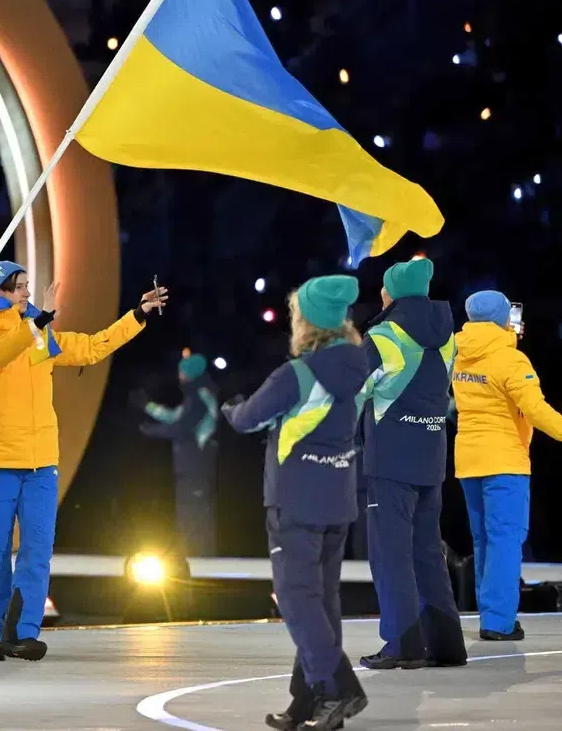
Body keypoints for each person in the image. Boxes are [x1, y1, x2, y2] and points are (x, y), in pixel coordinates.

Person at [0, 260, 165, 661]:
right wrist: (37, 324)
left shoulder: (41, 335)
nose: (25, 292)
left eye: (25, 286)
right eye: (17, 287)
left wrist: (137, 315)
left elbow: (92, 349)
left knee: (37, 550)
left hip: (41, 463)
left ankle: (22, 633)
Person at [221, 275, 369, 731]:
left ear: (306, 323)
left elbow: (247, 420)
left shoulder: (297, 375)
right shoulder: (360, 367)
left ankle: (338, 688)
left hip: (296, 504)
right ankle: (309, 701)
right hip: (337, 500)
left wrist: (232, 408)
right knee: (321, 602)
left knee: (296, 600)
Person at [356, 258, 467, 669]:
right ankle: (447, 645)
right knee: (427, 553)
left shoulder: (384, 335)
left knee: (390, 554)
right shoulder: (448, 336)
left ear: (392, 292)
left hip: (390, 460)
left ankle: (403, 644)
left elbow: (356, 392)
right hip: (431, 454)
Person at [452, 290, 562, 641]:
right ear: (503, 317)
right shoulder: (511, 360)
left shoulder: (459, 353)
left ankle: (492, 614)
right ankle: (498, 622)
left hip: (469, 460)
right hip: (505, 462)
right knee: (505, 541)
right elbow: (536, 411)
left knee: (484, 540)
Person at [134, 352, 220, 556]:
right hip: (190, 469)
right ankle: (194, 561)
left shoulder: (199, 397)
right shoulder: (196, 395)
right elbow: (175, 417)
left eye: (181, 371)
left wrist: (148, 430)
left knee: (195, 519)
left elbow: (180, 428)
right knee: (189, 518)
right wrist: (148, 408)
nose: (178, 375)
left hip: (196, 468)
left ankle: (201, 566)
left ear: (189, 374)